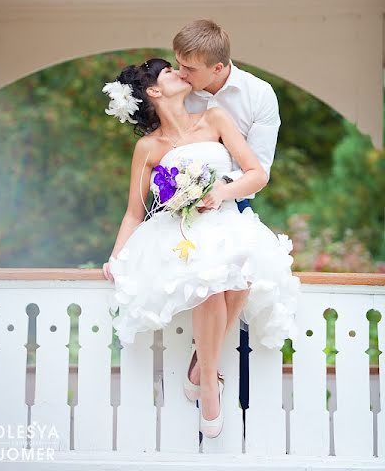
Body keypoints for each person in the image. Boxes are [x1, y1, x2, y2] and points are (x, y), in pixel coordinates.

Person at [102, 55, 301, 439]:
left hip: (225, 217)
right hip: (180, 230)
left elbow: (256, 174)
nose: (181, 72)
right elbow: (133, 213)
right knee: (208, 281)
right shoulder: (148, 147)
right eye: (170, 71)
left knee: (242, 275)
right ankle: (209, 382)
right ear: (155, 91)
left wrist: (219, 193)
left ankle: (199, 364)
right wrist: (116, 256)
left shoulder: (215, 118)